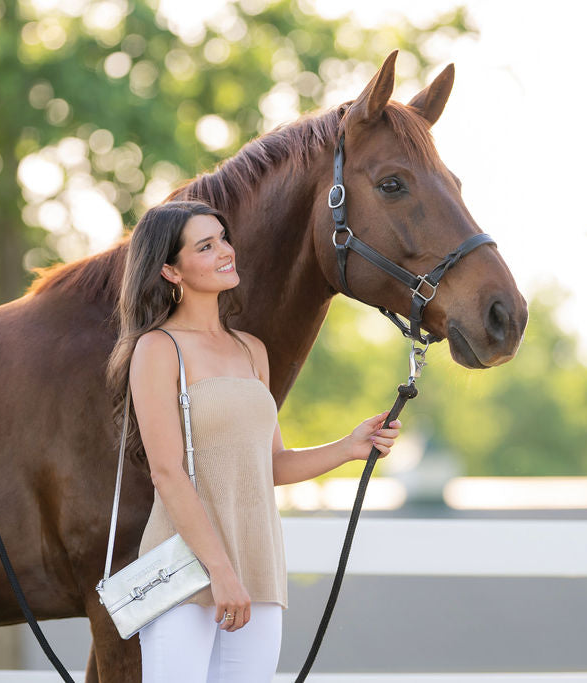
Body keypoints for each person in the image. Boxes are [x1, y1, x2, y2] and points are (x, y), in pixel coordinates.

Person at [105, 200, 403, 682]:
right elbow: (167, 473)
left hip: (258, 569)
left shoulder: (251, 350)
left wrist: (349, 447)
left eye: (223, 238)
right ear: (171, 271)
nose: (226, 251)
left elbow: (272, 464)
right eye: (205, 246)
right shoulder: (158, 348)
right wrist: (220, 573)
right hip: (187, 571)